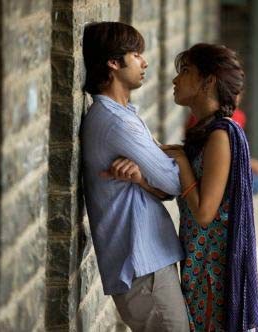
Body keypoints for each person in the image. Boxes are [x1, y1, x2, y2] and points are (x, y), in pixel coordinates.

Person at [80, 22, 189, 331]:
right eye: (136, 54)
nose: (145, 62)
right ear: (113, 63)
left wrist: (143, 178)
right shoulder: (117, 123)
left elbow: (164, 188)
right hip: (141, 265)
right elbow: (173, 182)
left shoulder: (125, 115)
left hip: (149, 261)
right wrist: (175, 159)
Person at [166, 43, 258, 331]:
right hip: (199, 261)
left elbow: (205, 212)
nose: (175, 79)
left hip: (212, 273)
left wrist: (181, 161)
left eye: (185, 71)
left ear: (208, 81)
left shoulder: (221, 135)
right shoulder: (206, 131)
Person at [186, 96, 258, 196]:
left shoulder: (239, 116)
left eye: (238, 93)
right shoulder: (203, 113)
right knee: (256, 183)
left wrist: (251, 164)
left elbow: (235, 150)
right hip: (206, 165)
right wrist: (252, 165)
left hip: (226, 165)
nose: (236, 97)